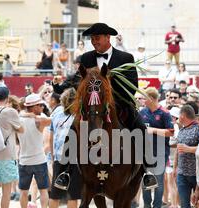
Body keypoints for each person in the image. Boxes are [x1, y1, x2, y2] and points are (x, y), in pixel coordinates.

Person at [54, 22, 158, 191]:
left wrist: (108, 84)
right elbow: (77, 79)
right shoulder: (87, 58)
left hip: (119, 105)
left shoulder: (126, 58)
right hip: (92, 107)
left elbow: (132, 85)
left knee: (139, 125)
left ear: (108, 37)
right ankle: (66, 172)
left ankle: (147, 170)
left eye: (97, 38)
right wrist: (58, 85)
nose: (94, 42)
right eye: (92, 39)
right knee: (73, 128)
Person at [47, 88, 81, 208]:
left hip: (59, 158)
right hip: (74, 159)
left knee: (55, 194)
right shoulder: (79, 116)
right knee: (73, 194)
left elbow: (51, 136)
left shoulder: (56, 113)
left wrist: (54, 157)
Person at [17, 93, 51, 208]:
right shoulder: (40, 119)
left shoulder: (19, 119)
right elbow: (53, 119)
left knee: (24, 191)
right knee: (43, 189)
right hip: (39, 159)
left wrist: (26, 115)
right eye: (39, 105)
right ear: (33, 106)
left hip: (24, 160)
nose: (42, 107)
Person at [139, 87, 174, 208]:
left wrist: (152, 130)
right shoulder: (142, 112)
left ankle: (156, 207)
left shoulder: (164, 113)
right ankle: (146, 206)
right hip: (145, 151)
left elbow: (170, 132)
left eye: (144, 98)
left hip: (160, 151)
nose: (142, 100)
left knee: (158, 179)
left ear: (152, 99)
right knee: (146, 178)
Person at [172, 105, 199, 208]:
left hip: (196, 172)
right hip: (182, 172)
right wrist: (175, 167)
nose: (179, 117)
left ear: (183, 115)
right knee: (184, 201)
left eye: (179, 114)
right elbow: (178, 150)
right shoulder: (182, 130)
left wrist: (189, 149)